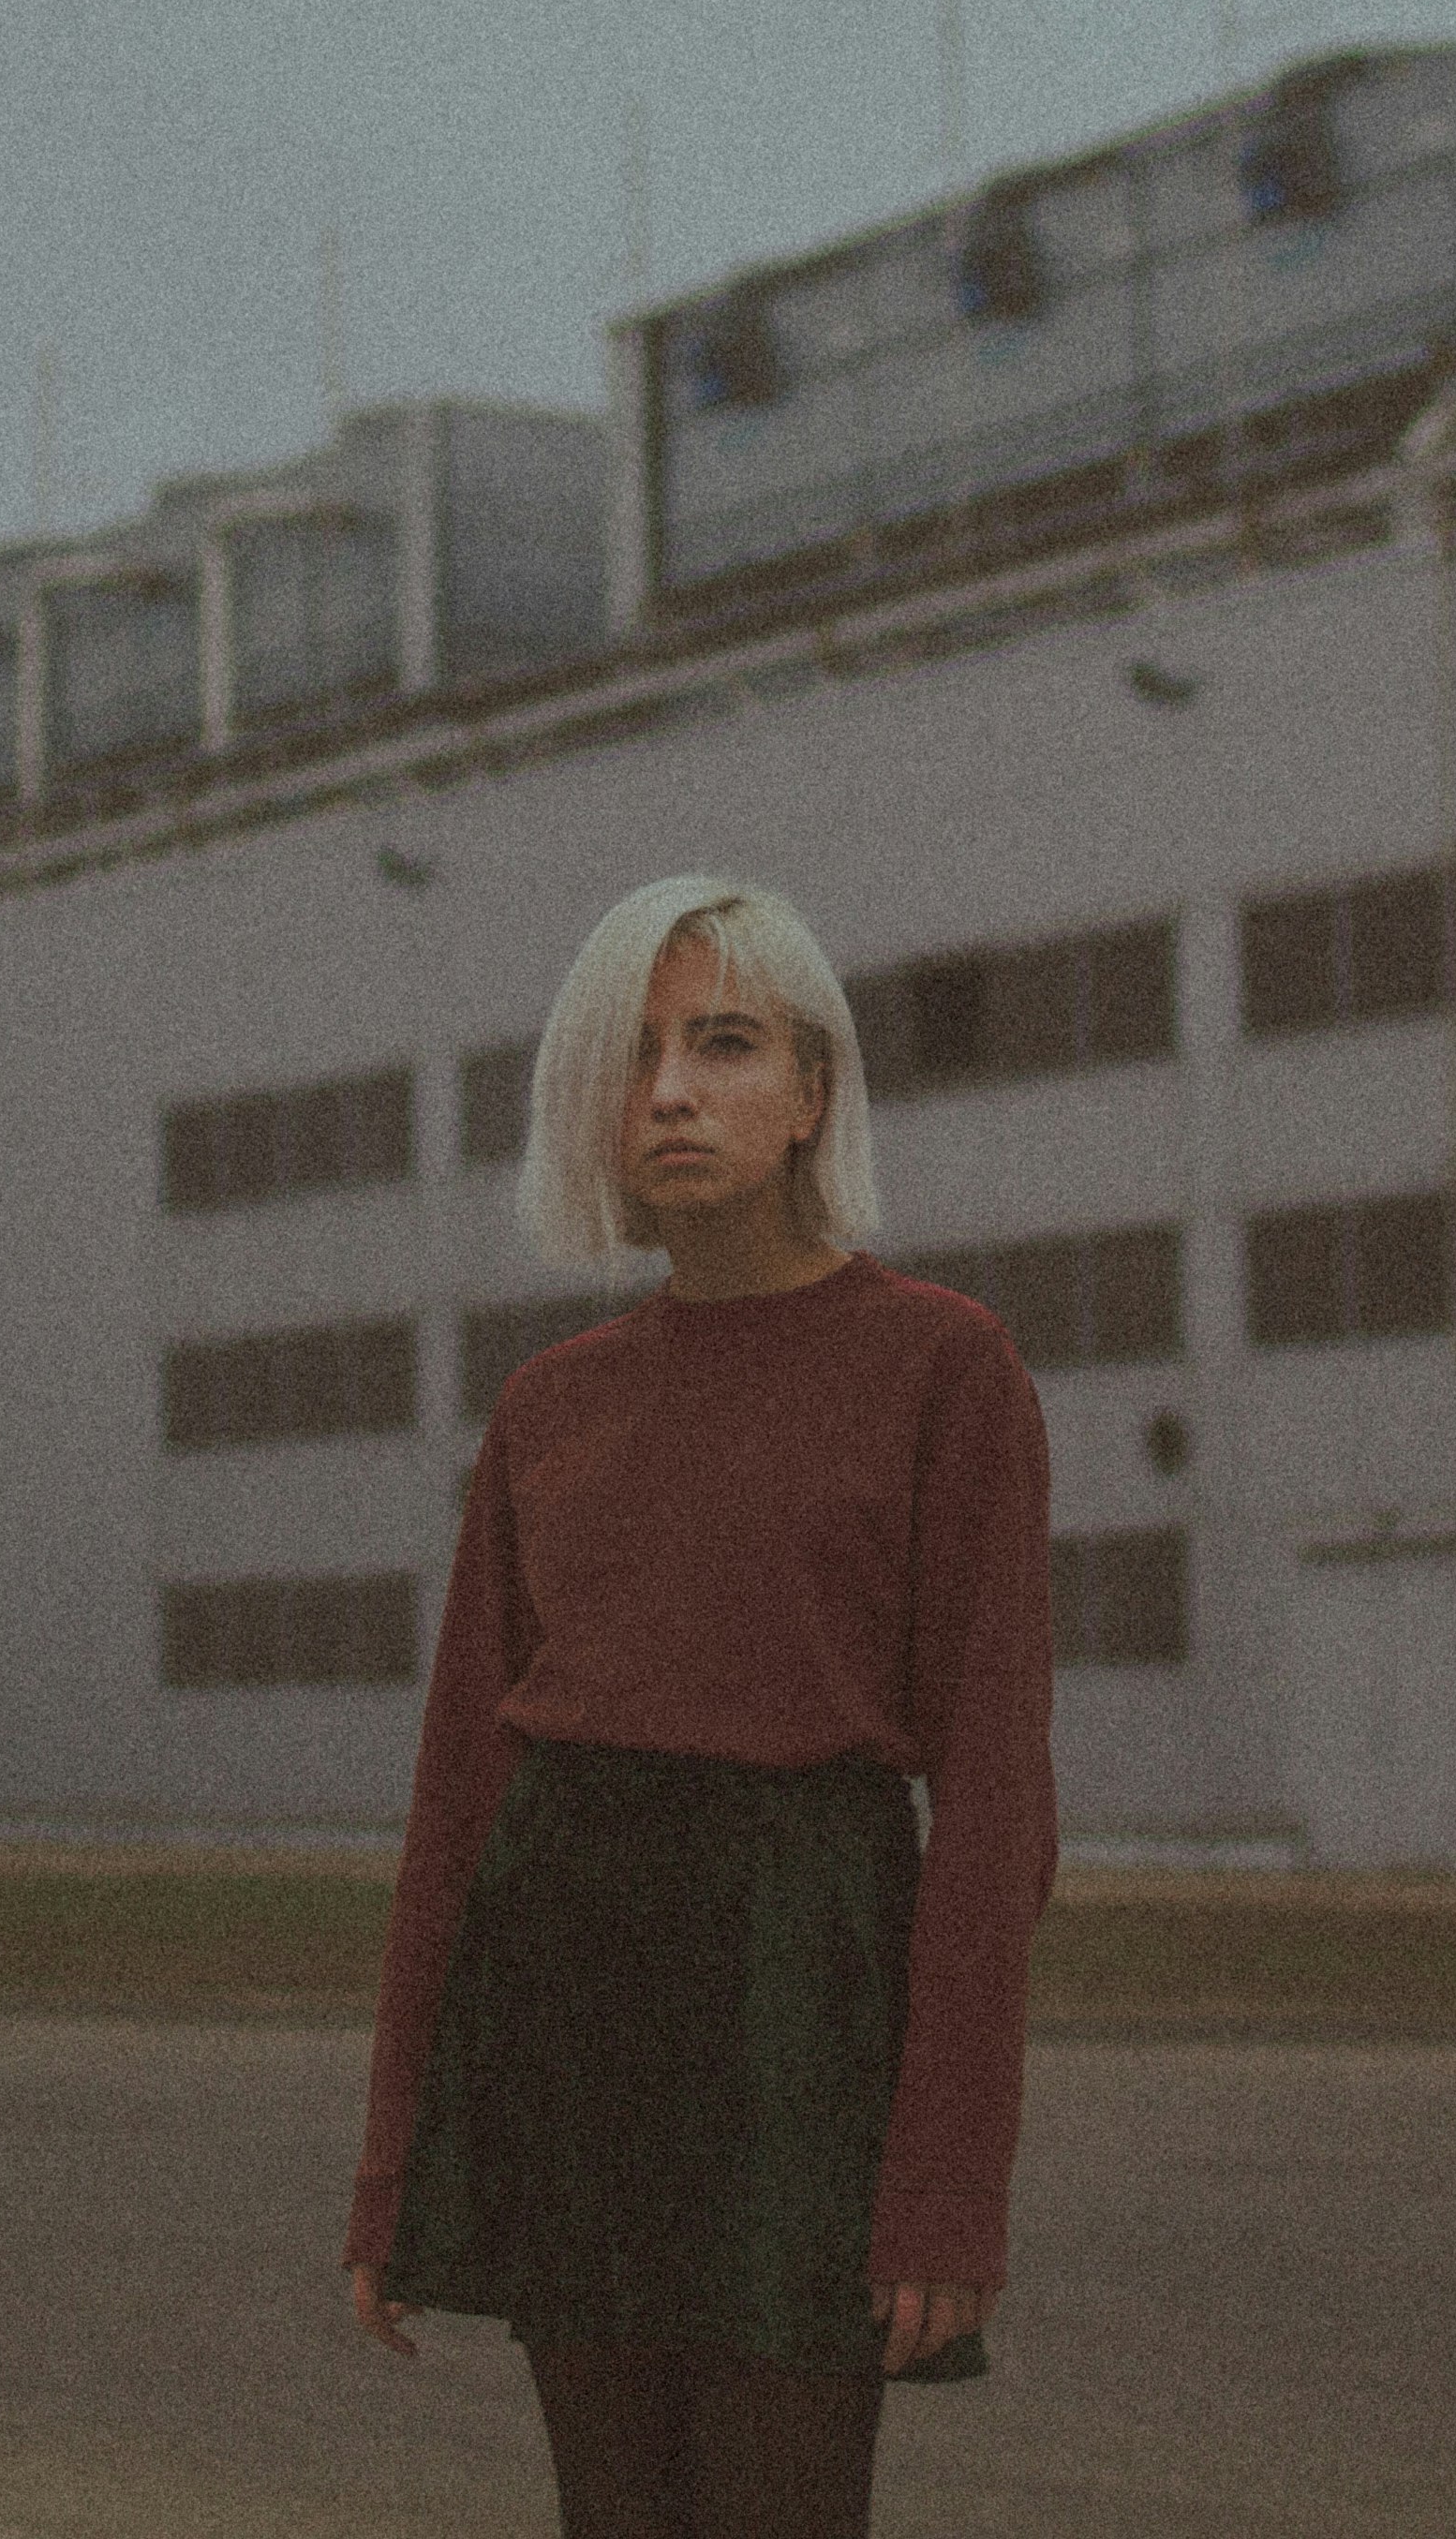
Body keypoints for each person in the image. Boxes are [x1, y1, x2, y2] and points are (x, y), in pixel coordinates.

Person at [345, 875, 1058, 2539]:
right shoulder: (550, 1412)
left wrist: (947, 2186)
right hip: (569, 2013)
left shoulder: (946, 1370)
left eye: (724, 1045)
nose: (670, 1090)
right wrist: (395, 2165)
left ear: (813, 1092)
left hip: (800, 2015)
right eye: (634, 1053)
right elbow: (455, 1813)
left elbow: (998, 1819)